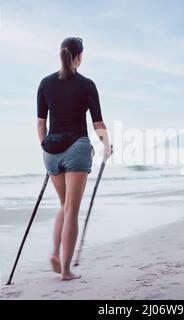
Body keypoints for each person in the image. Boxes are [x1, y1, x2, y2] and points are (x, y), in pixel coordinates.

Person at [36, 37, 113, 281]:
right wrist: (107, 146)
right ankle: (66, 271)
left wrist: (45, 147)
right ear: (79, 56)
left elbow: (40, 123)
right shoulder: (87, 85)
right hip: (76, 150)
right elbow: (98, 123)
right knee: (71, 211)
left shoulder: (45, 83)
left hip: (51, 151)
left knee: (64, 206)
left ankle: (55, 253)